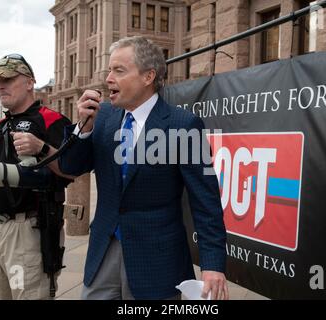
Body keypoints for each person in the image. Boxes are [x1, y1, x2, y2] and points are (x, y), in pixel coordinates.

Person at [58, 36, 229, 300]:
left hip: (157, 261)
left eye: (119, 70)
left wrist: (213, 265)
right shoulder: (101, 117)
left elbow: (206, 201)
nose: (108, 79)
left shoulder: (184, 125)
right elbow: (70, 167)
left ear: (148, 76)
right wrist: (83, 128)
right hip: (104, 252)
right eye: (109, 70)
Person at [0, 54, 72, 299]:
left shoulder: (51, 120)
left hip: (29, 229)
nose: (0, 85)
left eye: (7, 78)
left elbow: (71, 169)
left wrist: (41, 147)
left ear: (29, 83)